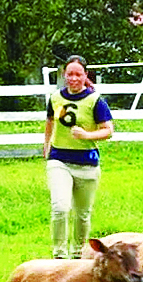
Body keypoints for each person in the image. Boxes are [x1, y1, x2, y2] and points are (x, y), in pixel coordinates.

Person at [44, 55, 114, 259]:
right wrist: (46, 145)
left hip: (87, 164)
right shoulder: (56, 98)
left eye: (78, 74)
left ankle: (78, 254)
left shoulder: (95, 101)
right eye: (69, 74)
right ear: (64, 75)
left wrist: (87, 135)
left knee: (83, 214)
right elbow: (51, 121)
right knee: (60, 207)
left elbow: (108, 130)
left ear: (85, 76)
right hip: (59, 160)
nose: (73, 78)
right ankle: (58, 254)